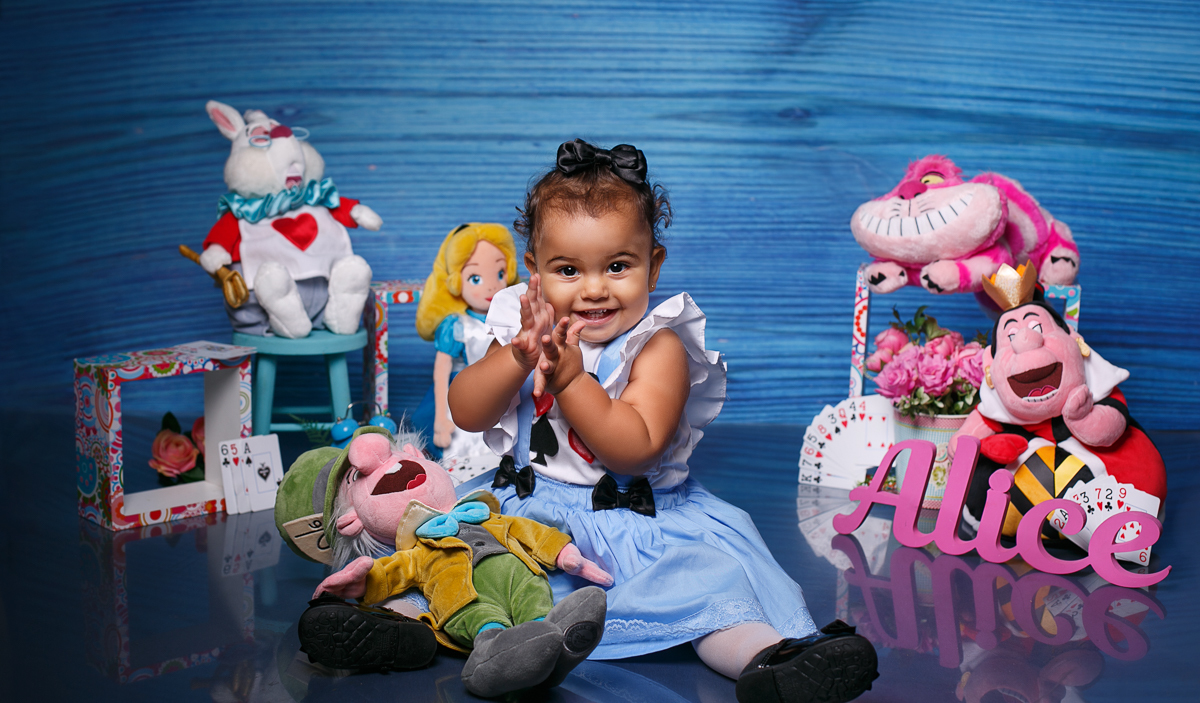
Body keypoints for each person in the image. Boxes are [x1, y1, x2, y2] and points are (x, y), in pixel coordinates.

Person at [449, 139, 880, 703]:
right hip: (531, 514)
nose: (595, 288)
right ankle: (472, 642)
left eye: (618, 266)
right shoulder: (521, 332)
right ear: (534, 272)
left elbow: (635, 448)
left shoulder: (658, 347)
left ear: (653, 264)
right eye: (568, 269)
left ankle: (769, 661)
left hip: (639, 524)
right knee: (458, 563)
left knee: (710, 590)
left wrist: (574, 381)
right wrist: (516, 358)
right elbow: (466, 409)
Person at [413, 223, 519, 479]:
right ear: (455, 281)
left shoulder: (512, 318)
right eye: (476, 278)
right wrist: (440, 418)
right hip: (463, 396)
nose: (491, 287)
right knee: (460, 453)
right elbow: (440, 374)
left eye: (500, 273)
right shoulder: (456, 326)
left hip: (504, 392)